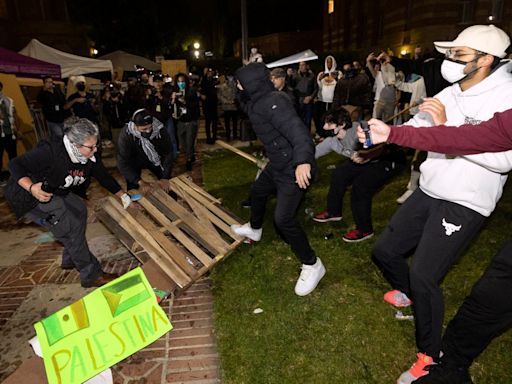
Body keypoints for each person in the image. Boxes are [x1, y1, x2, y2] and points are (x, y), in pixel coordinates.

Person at [368, 24, 512, 384]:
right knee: (385, 251)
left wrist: (447, 128)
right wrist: (382, 137)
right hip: (431, 189)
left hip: (465, 201)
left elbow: (503, 161)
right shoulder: (452, 90)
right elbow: (420, 125)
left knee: (424, 275)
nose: (449, 60)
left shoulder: (507, 96)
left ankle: (430, 357)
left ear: (486, 59)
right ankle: (417, 300)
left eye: (459, 54)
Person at [4, 118, 132, 288]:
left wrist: (124, 197)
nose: (95, 150)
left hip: (55, 189)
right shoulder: (50, 151)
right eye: (90, 147)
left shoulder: (89, 156)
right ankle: (91, 275)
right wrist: (31, 187)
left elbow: (104, 177)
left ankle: (71, 256)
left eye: (96, 145)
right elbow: (15, 164)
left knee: (79, 210)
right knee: (69, 230)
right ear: (75, 144)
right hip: (29, 194)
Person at [232, 62, 325, 296]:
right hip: (278, 164)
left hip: (294, 167)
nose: (237, 85)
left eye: (240, 81)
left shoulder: (275, 102)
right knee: (258, 191)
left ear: (251, 84)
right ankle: (255, 229)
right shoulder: (254, 100)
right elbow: (241, 100)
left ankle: (313, 264)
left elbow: (298, 131)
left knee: (283, 219)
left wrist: (303, 161)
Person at [313, 110, 405, 242]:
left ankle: (364, 230)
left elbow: (386, 146)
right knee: (340, 174)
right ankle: (333, 212)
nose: (324, 127)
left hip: (388, 159)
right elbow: (313, 153)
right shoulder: (332, 141)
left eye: (329, 124)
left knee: (361, 186)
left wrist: (368, 155)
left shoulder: (360, 130)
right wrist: (299, 163)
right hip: (364, 159)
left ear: (342, 124)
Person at [117, 109, 173, 193]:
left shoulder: (160, 129)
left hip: (154, 158)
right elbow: (122, 162)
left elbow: (168, 152)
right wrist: (139, 181)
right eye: (144, 129)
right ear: (135, 126)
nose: (148, 131)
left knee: (167, 185)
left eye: (150, 127)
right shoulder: (126, 135)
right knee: (133, 189)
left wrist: (165, 177)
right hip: (134, 160)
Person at [173, 73, 200, 171]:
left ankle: (188, 160)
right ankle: (191, 154)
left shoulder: (191, 91)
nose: (181, 83)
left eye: (183, 81)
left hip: (190, 122)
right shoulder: (175, 92)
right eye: (179, 82)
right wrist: (173, 99)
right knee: (183, 143)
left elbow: (195, 105)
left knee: (189, 142)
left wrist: (185, 102)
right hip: (181, 122)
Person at [314, 56, 339, 137]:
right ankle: (322, 134)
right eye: (327, 62)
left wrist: (337, 79)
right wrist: (319, 80)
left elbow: (340, 87)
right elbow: (319, 87)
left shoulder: (338, 73)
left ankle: (332, 134)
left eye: (331, 62)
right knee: (323, 118)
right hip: (323, 100)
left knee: (332, 118)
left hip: (333, 100)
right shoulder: (321, 74)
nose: (329, 64)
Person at [0, 81, 17, 184]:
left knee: (13, 155)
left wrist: (16, 128)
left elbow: (14, 114)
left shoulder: (8, 100)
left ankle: (15, 175)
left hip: (10, 132)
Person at [293, 61, 318, 132]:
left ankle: (308, 138)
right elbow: (290, 87)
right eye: (300, 65)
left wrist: (311, 97)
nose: (301, 67)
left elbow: (316, 88)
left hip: (308, 102)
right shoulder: (295, 76)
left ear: (307, 66)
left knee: (308, 121)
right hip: (298, 102)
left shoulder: (312, 76)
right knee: (299, 121)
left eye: (303, 65)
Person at [217, 74, 239, 141]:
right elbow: (219, 96)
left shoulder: (236, 86)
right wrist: (227, 101)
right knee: (227, 123)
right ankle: (228, 136)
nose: (230, 79)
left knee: (235, 123)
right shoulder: (222, 87)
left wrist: (235, 101)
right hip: (226, 107)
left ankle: (235, 135)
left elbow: (238, 94)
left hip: (234, 107)